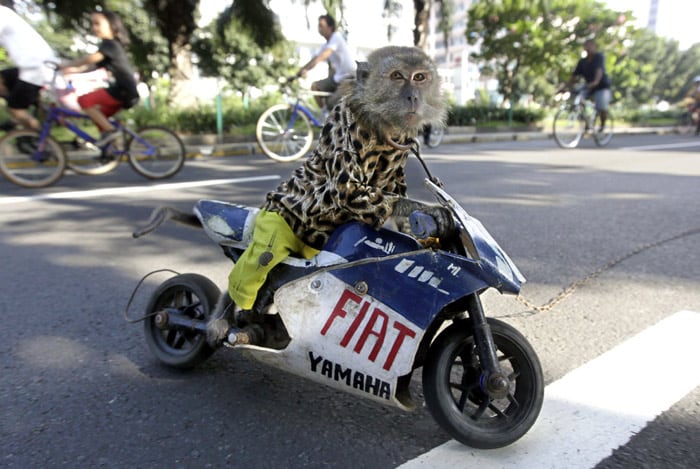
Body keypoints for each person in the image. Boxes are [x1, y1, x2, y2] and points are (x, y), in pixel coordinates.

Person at [207, 45, 449, 345]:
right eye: (399, 78)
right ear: (365, 80)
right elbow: (347, 191)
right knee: (264, 254)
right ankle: (223, 313)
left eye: (420, 78)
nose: (412, 94)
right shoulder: (350, 118)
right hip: (298, 213)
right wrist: (406, 210)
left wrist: (417, 235)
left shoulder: (403, 132)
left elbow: (392, 184)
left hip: (338, 228)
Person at [60, 9, 139, 146]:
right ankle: (110, 150)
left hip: (123, 90)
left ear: (112, 25)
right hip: (124, 91)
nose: (94, 28)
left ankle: (112, 132)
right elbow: (91, 66)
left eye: (97, 24)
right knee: (100, 117)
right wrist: (73, 71)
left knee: (84, 100)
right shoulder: (109, 47)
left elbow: (91, 59)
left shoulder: (110, 44)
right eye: (92, 24)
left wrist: (68, 64)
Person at [0, 3, 57, 131]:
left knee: (16, 109)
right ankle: (20, 109)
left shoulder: (2, 13)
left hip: (36, 70)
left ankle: (42, 143)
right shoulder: (7, 14)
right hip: (31, 68)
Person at [296, 14, 356, 111]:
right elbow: (314, 58)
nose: (319, 29)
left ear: (330, 27)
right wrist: (299, 72)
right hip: (338, 77)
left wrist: (306, 70)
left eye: (321, 26)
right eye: (318, 26)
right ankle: (324, 116)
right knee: (315, 87)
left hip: (350, 77)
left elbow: (322, 56)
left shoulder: (336, 37)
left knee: (331, 102)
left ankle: (332, 118)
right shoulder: (326, 44)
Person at [562, 39, 612, 131]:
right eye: (586, 46)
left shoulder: (599, 57)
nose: (588, 48)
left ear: (595, 47)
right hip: (588, 86)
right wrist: (564, 87)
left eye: (590, 46)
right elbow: (574, 76)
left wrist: (596, 82)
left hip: (601, 86)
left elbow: (599, 70)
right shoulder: (582, 62)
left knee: (601, 107)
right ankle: (587, 121)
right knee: (578, 98)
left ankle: (602, 125)